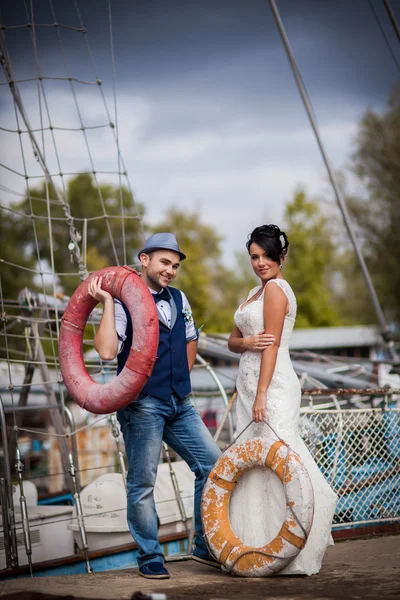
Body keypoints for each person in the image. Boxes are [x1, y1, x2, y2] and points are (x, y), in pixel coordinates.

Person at [88, 232, 222, 580]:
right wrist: (105, 302)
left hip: (181, 402)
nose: (171, 271)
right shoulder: (123, 301)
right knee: (142, 482)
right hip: (142, 405)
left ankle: (205, 546)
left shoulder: (179, 297)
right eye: (165, 262)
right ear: (144, 259)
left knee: (212, 465)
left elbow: (191, 339)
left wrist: (180, 376)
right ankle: (149, 555)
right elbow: (105, 352)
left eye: (175, 265)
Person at [227, 224, 338, 576]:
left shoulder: (276, 290)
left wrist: (261, 394)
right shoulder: (253, 292)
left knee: (279, 455)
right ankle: (256, 540)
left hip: (271, 386)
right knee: (253, 461)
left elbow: (271, 346)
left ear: (281, 257)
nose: (260, 263)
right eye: (254, 257)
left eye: (266, 256)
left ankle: (296, 541)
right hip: (247, 385)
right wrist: (246, 343)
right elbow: (233, 341)